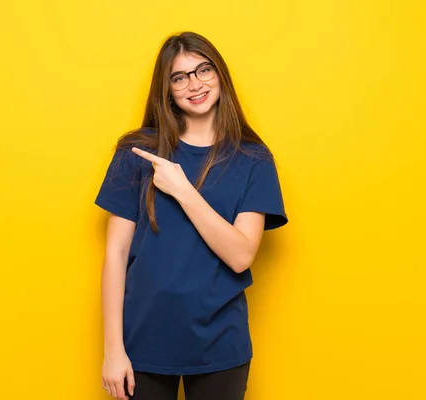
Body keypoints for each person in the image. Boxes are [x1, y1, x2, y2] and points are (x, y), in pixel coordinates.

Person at [94, 31, 288, 400]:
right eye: (179, 77)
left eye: (203, 70)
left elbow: (241, 255)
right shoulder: (138, 152)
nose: (194, 85)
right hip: (142, 340)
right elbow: (116, 255)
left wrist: (182, 189)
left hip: (219, 345)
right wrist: (113, 350)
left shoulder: (253, 159)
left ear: (220, 76)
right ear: (166, 89)